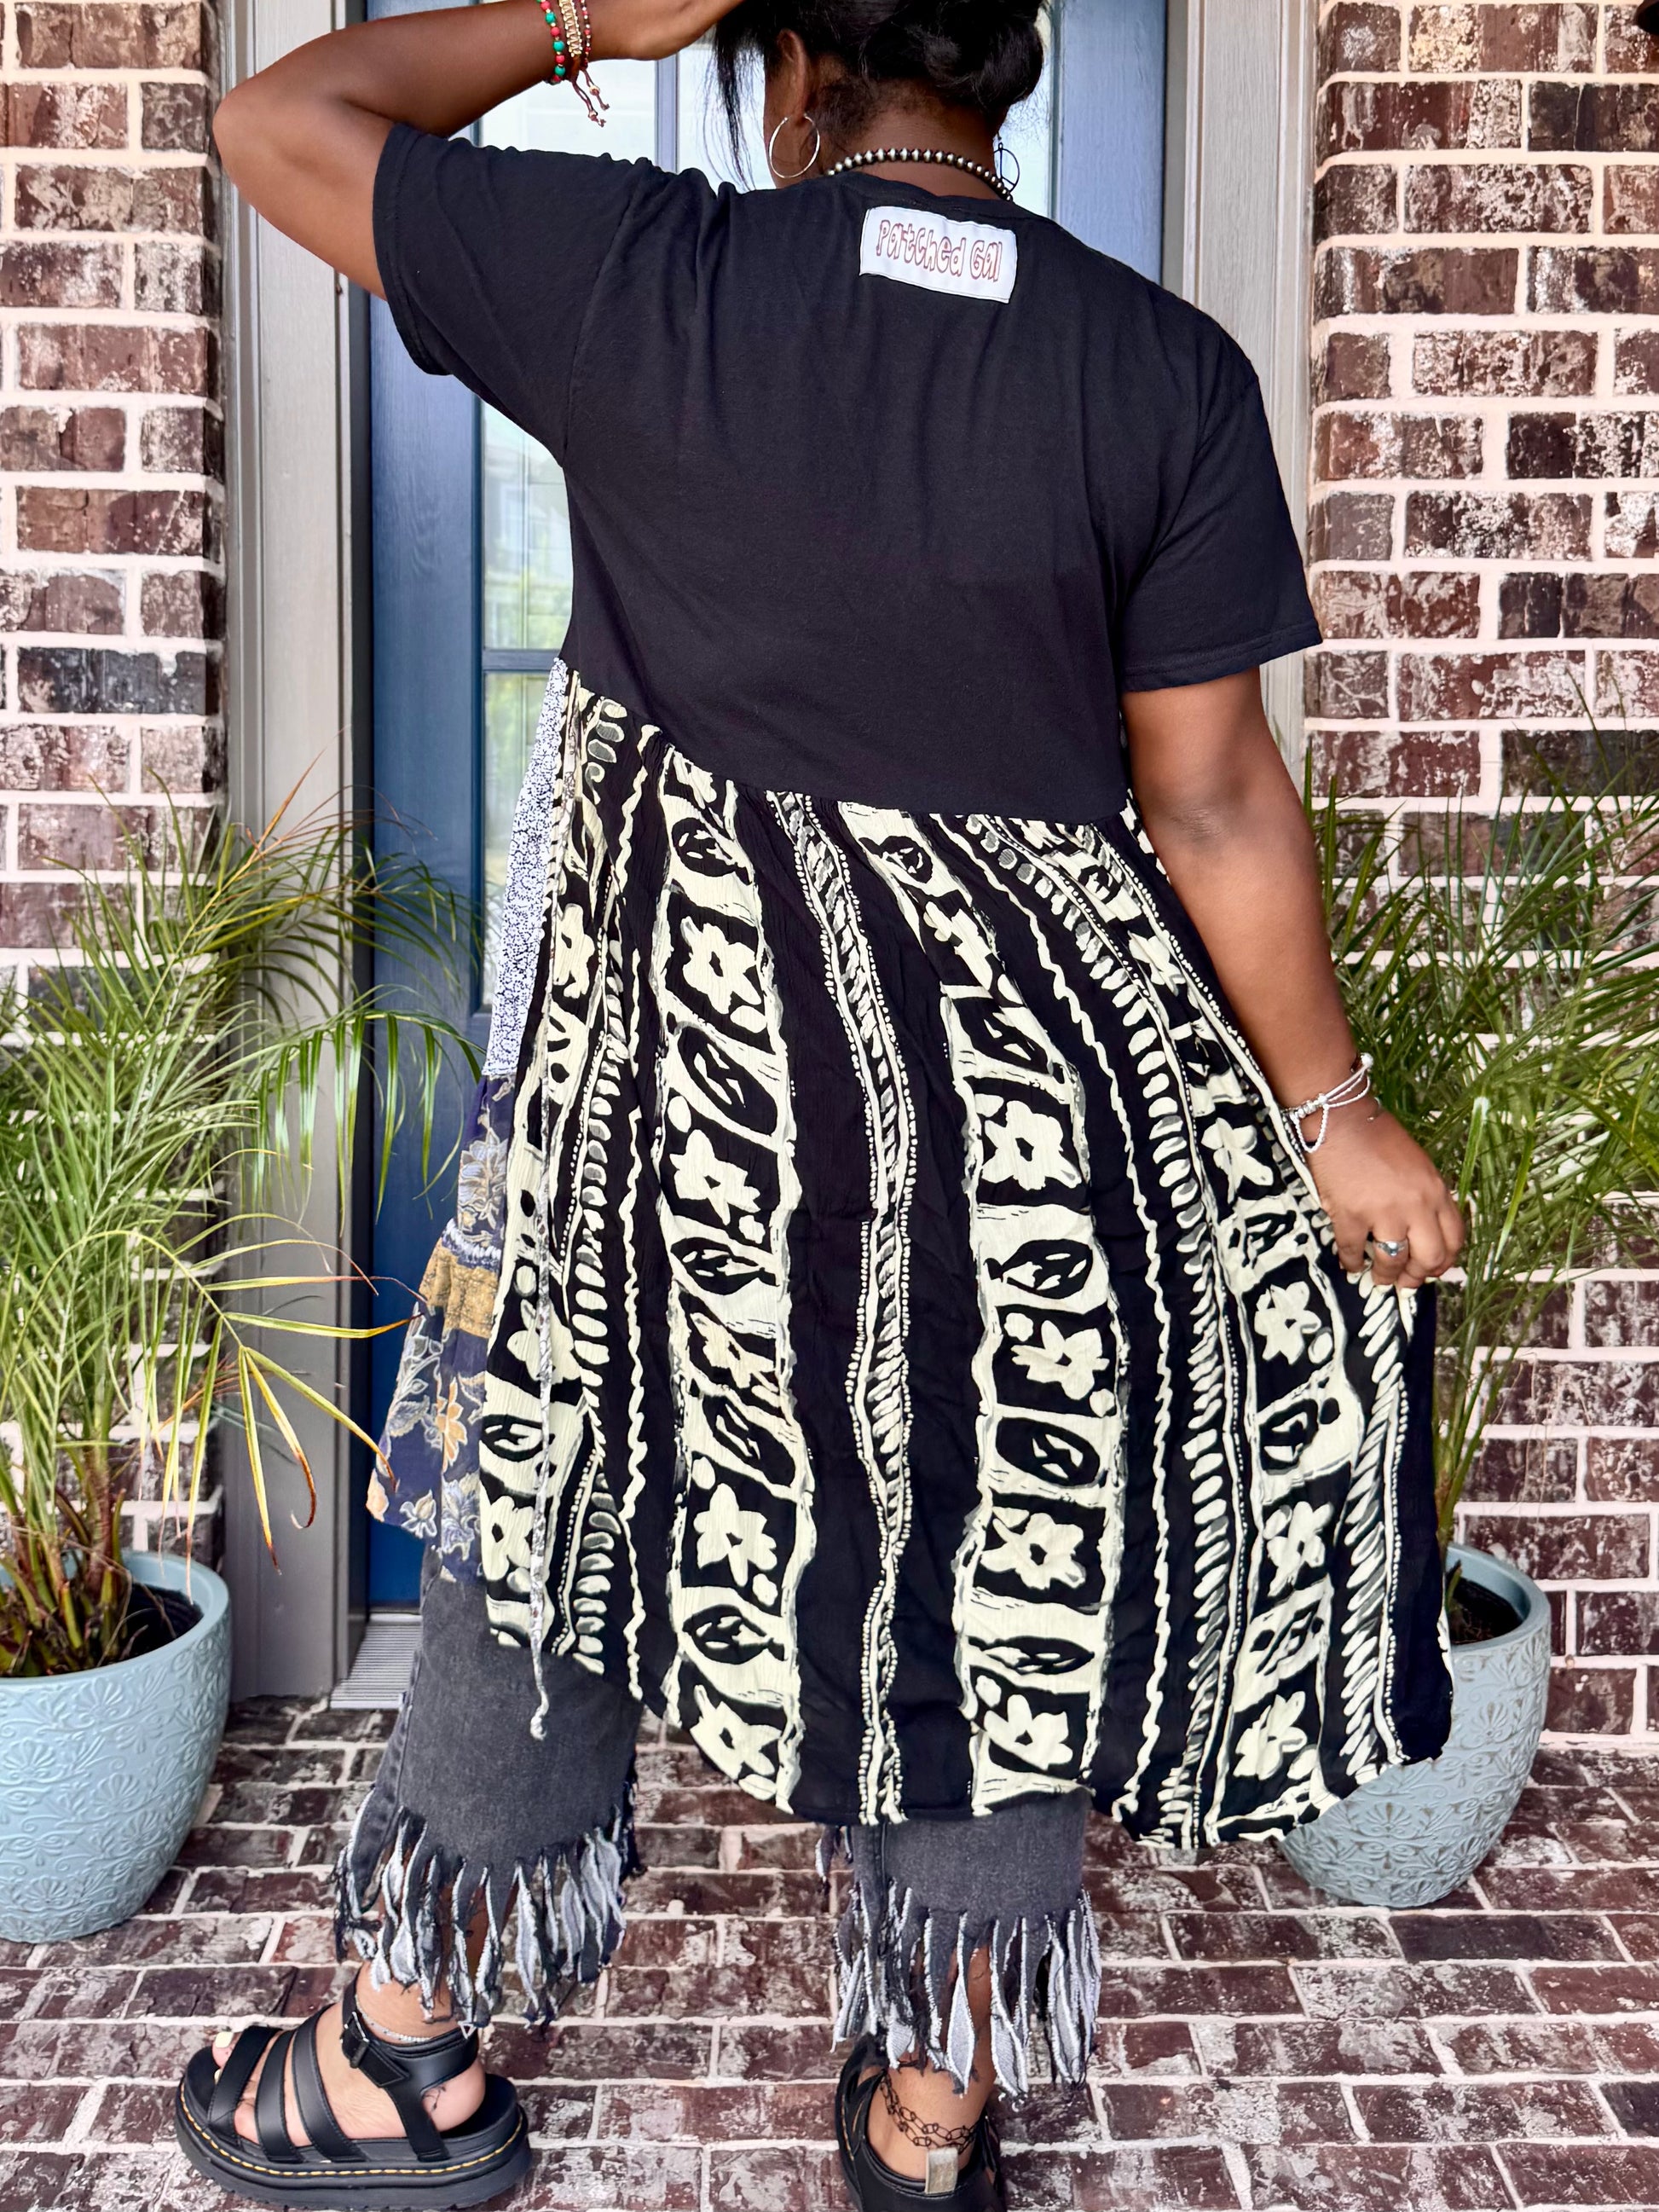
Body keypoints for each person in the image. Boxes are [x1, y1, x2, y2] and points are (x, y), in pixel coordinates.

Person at [176, 1, 1464, 2204]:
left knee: (557, 1496)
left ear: (781, 68)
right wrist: (1332, 1105)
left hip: (669, 1127)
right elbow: (1215, 798)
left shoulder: (644, 274)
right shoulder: (1157, 372)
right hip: (1012, 1142)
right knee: (993, 1544)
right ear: (1012, 59)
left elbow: (278, 119)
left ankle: (404, 2054)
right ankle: (932, 2108)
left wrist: (582, 20)